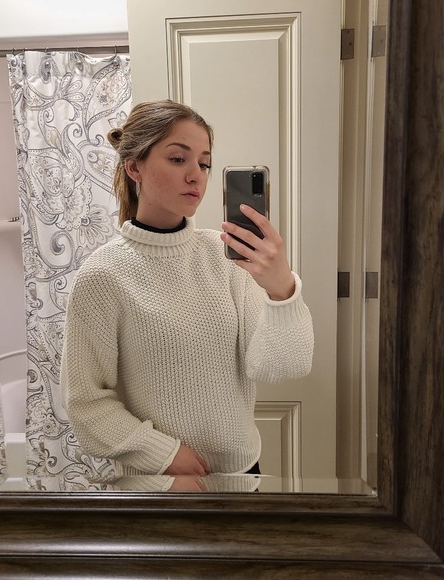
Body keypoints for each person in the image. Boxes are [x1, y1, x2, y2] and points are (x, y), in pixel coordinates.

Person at [60, 99, 314, 491]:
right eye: (178, 159)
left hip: (241, 478)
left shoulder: (227, 258)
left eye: (205, 163)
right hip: (160, 484)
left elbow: (278, 368)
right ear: (135, 168)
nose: (196, 175)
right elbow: (86, 402)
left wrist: (282, 289)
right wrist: (162, 456)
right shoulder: (102, 276)